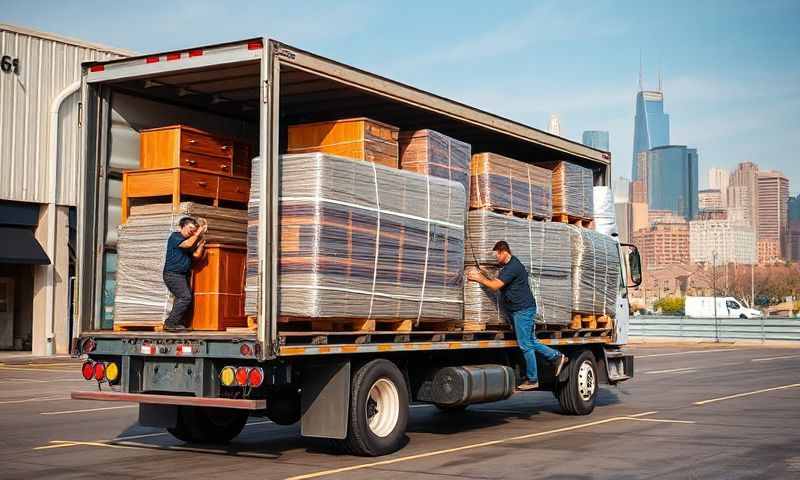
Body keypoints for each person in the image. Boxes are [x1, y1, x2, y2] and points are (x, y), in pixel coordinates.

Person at [466, 240, 568, 390]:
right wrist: (483, 273)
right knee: (530, 341)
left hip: (523, 310)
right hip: (519, 310)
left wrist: (478, 278)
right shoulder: (508, 266)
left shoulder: (513, 266)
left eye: (496, 255)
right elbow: (497, 281)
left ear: (503, 251)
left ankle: (533, 379)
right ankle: (557, 357)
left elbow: (495, 285)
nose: (495, 258)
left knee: (525, 345)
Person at [162, 216, 207, 332]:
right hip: (173, 274)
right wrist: (197, 234)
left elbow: (196, 256)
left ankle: (177, 323)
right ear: (182, 226)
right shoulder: (175, 236)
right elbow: (186, 245)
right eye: (190, 228)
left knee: (181, 298)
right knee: (185, 297)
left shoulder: (190, 240)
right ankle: (170, 323)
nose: (192, 230)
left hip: (183, 275)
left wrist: (201, 243)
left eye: (194, 228)